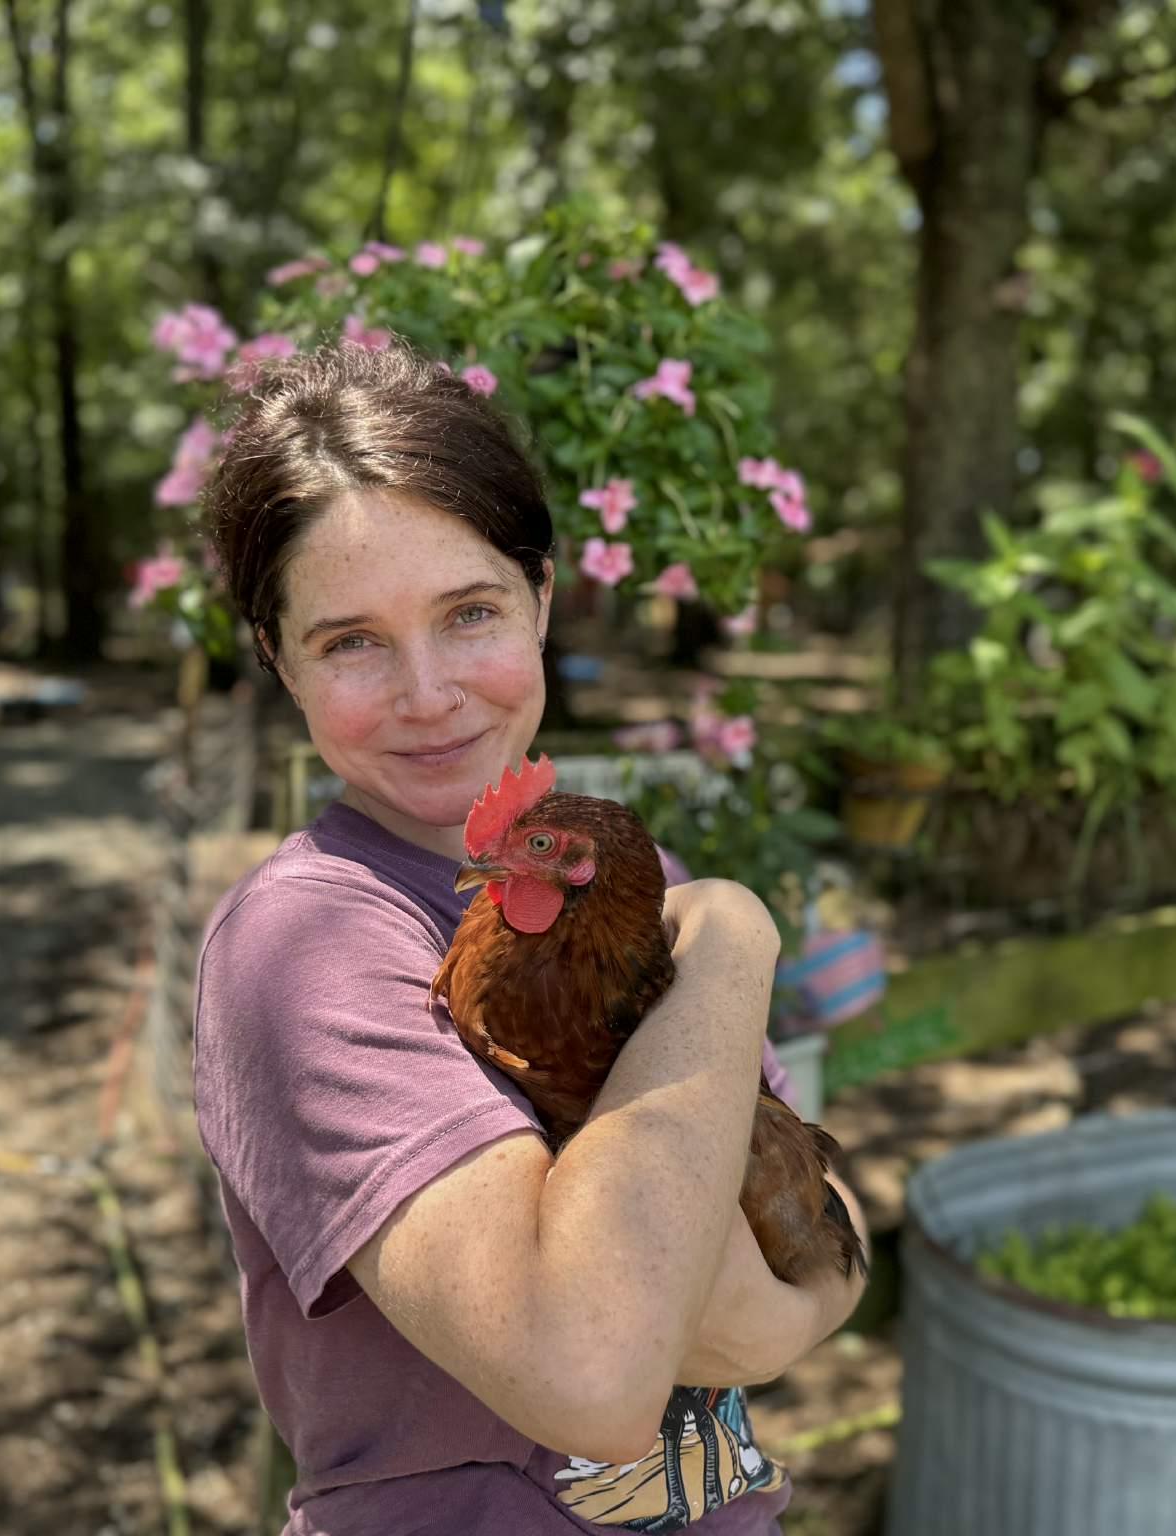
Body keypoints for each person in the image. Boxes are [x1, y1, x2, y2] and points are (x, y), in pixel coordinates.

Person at [191, 342, 867, 1535]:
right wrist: (734, 940)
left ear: (544, 600)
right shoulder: (303, 948)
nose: (429, 693)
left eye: (470, 613)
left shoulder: (619, 887)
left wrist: (739, 1302)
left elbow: (807, 1264)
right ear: (276, 660)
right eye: (351, 640)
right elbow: (597, 1370)